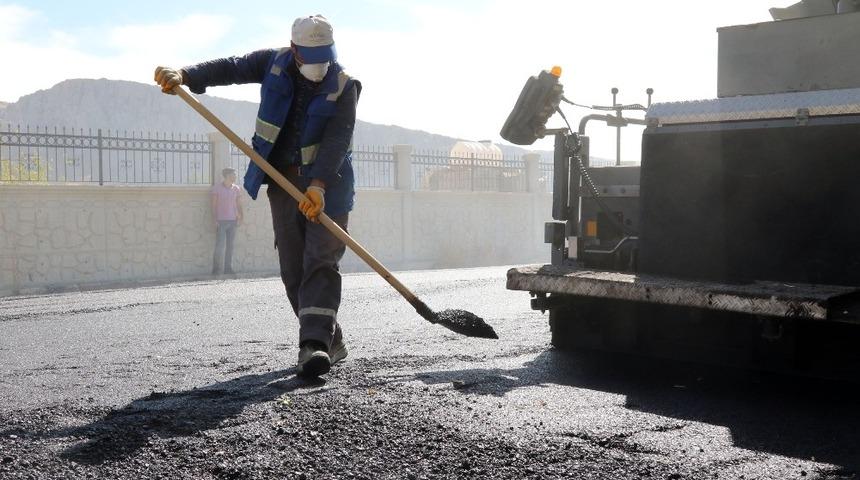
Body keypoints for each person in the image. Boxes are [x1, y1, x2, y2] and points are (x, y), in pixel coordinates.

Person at [154, 15, 360, 378]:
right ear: (294, 49)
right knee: (293, 269)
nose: (319, 65)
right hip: (282, 181)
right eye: (311, 56)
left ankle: (312, 346)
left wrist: (318, 185)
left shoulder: (344, 84)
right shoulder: (272, 62)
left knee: (320, 262)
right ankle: (330, 338)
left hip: (329, 186)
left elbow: (337, 140)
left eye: (324, 56)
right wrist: (185, 75)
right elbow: (231, 67)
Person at [211, 167, 243, 276]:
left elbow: (238, 204)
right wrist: (214, 219)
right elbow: (213, 205)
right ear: (227, 175)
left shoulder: (236, 189)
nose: (235, 176)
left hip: (233, 221)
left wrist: (241, 216)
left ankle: (228, 269)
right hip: (221, 221)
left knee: (230, 246)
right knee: (219, 246)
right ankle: (216, 270)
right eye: (233, 174)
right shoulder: (217, 188)